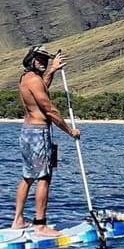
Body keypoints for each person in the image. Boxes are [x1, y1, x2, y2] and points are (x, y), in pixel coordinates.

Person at [12, 46, 81, 236]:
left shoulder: (26, 78)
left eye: (45, 59)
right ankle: (40, 225)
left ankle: (18, 220)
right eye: (39, 59)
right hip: (38, 133)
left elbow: (43, 88)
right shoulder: (34, 80)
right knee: (44, 178)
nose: (43, 62)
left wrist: (52, 70)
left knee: (28, 176)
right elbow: (49, 110)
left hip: (27, 132)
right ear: (31, 59)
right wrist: (70, 131)